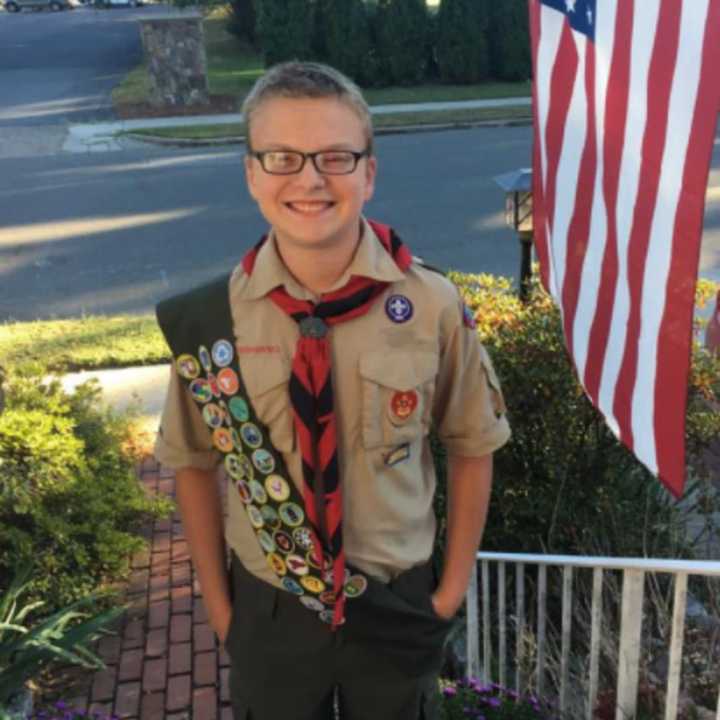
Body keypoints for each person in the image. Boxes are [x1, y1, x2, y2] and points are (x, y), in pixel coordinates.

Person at [154, 61, 511, 720]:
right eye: (283, 157)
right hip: (270, 605)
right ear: (252, 174)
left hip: (397, 599)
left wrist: (448, 591)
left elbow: (472, 445)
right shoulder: (211, 322)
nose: (310, 179)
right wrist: (223, 607)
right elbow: (192, 463)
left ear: (369, 173)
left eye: (336, 157)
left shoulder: (430, 305)